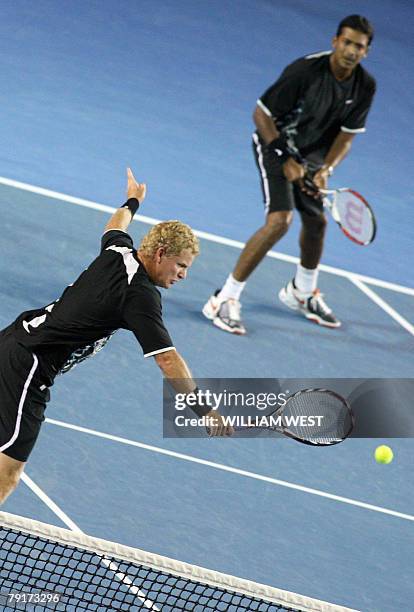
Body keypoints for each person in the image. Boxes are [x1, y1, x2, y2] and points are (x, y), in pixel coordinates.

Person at [0, 168, 232, 505]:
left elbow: (116, 224)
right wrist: (205, 410)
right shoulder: (139, 295)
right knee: (7, 473)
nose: (183, 275)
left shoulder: (119, 252)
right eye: (181, 265)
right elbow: (167, 360)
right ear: (161, 253)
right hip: (29, 366)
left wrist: (133, 200)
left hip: (11, 339)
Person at [203, 15, 376, 334]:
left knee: (316, 223)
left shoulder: (365, 86)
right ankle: (223, 299)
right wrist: (285, 157)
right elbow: (261, 114)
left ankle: (301, 292)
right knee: (280, 220)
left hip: (311, 156)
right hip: (273, 142)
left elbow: (346, 136)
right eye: (347, 42)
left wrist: (326, 169)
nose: (352, 50)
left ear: (366, 52)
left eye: (359, 46)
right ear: (335, 41)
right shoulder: (305, 71)